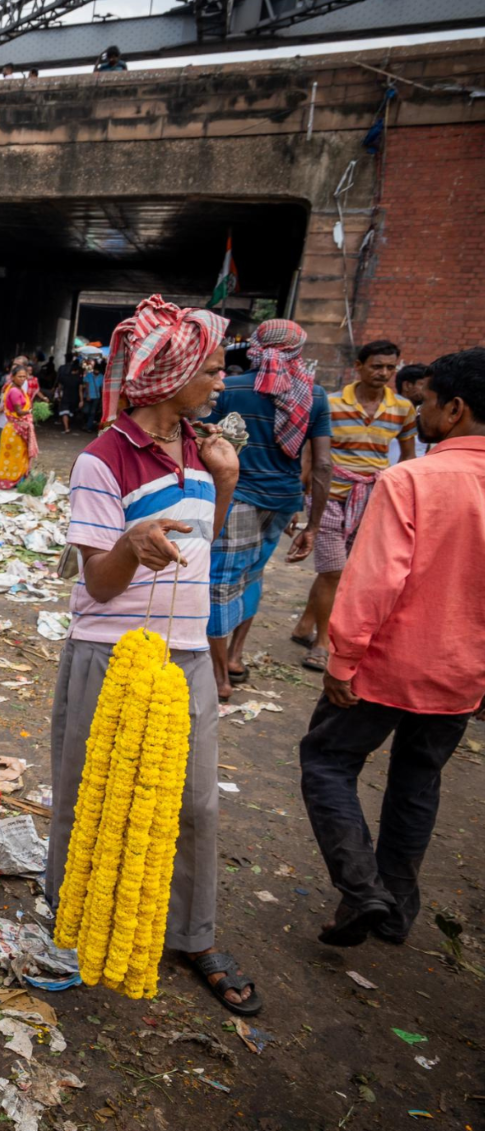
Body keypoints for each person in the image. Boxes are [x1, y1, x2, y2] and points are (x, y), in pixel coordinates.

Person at [49, 295, 259, 1016]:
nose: (219, 382)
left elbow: (199, 542)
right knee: (90, 795)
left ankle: (192, 935)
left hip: (185, 653)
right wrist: (127, 547)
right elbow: (99, 585)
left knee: (194, 801)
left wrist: (223, 483)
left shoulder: (203, 450)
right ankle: (75, 919)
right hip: (109, 653)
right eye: (208, 369)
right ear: (165, 378)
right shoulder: (100, 460)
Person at [299, 347, 485, 949]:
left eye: (427, 401)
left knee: (327, 763)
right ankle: (398, 908)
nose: (419, 409)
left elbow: (376, 580)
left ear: (454, 410)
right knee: (418, 781)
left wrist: (342, 659)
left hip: (385, 667)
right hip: (461, 675)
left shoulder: (410, 479)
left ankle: (363, 889)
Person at [202, 319, 332, 700]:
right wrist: (313, 524)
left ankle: (219, 677)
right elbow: (323, 465)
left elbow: (204, 442)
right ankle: (236, 656)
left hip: (236, 497)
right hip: (284, 501)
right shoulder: (315, 395)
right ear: (298, 352)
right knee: (253, 576)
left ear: (257, 347)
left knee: (222, 583)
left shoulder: (229, 388)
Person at [292, 339, 415, 672]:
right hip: (329, 496)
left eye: (391, 367)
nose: (384, 373)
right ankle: (321, 641)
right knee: (334, 570)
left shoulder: (402, 408)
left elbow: (407, 457)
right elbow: (310, 454)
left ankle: (305, 623)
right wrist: (297, 497)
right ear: (358, 367)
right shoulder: (330, 403)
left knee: (340, 572)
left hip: (373, 499)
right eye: (377, 366)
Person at [0, 364, 41, 490]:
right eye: (19, 376)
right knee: (14, 457)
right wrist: (31, 411)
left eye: (24, 377)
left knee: (19, 456)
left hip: (16, 429)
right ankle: (11, 481)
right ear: (12, 377)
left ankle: (18, 480)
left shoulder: (17, 389)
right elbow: (19, 412)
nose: (22, 379)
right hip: (14, 430)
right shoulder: (14, 391)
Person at [388, 363, 430, 463]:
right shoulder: (385, 416)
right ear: (407, 385)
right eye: (423, 385)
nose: (428, 392)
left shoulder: (423, 421)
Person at [57, 351, 82, 434]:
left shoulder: (64, 375)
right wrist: (81, 400)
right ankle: (67, 425)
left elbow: (60, 386)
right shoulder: (78, 379)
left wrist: (59, 394)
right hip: (75, 398)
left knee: (64, 412)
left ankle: (66, 427)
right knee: (70, 412)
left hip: (66, 396)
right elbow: (80, 390)